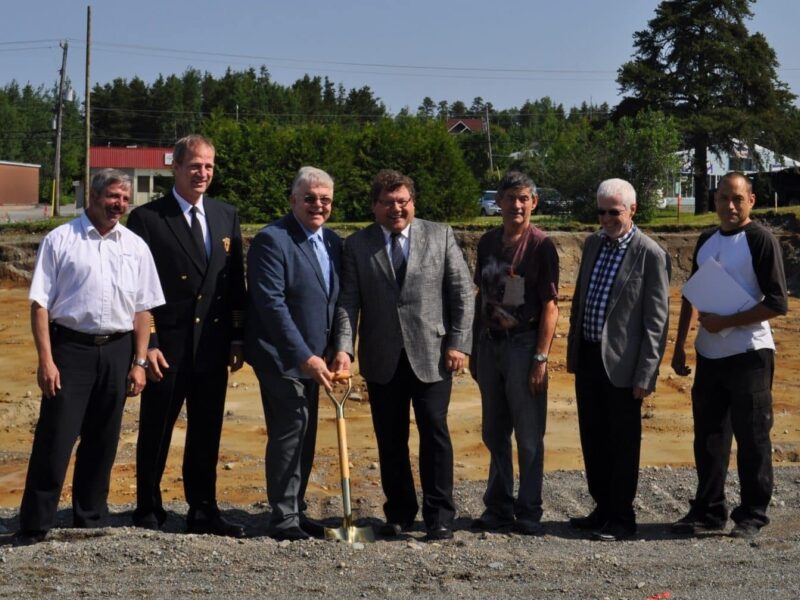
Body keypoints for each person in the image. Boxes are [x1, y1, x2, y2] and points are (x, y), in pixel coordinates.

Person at [14, 169, 164, 546]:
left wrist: (140, 361)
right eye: (114, 196)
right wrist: (46, 360)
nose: (121, 205)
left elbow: (143, 309)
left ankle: (90, 516)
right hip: (70, 350)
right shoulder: (60, 240)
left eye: (126, 199)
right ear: (93, 198)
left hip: (117, 349)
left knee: (103, 438)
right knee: (56, 436)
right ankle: (35, 522)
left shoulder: (134, 246)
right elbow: (40, 306)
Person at [332, 169, 473, 542]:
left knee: (434, 432)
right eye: (388, 203)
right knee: (390, 440)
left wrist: (459, 343)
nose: (397, 209)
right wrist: (344, 349)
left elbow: (462, 293)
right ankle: (399, 513)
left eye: (403, 201)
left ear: (413, 203)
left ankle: (440, 514)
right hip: (382, 357)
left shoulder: (439, 235)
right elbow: (348, 302)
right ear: (374, 207)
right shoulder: (357, 246)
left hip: (433, 354)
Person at [126, 134, 247, 537]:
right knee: (157, 429)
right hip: (169, 347)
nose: (203, 173)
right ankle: (148, 507)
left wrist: (236, 336)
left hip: (211, 347)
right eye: (195, 165)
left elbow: (234, 284)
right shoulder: (148, 219)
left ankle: (203, 508)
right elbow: (136, 289)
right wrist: (151, 344)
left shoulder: (225, 215)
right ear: (174, 167)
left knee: (206, 431)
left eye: (209, 166)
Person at [670, 172, 788, 539]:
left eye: (738, 199)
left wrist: (728, 321)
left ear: (751, 200)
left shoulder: (761, 240)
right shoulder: (706, 240)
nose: (730, 206)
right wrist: (679, 345)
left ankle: (752, 514)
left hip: (750, 353)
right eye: (724, 198)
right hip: (710, 354)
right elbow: (692, 294)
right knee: (709, 436)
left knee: (752, 436)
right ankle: (708, 510)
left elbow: (777, 302)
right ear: (715, 201)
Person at [566, 178, 671, 542]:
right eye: (602, 211)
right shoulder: (593, 243)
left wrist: (647, 373)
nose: (607, 218)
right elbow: (580, 301)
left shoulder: (650, 254)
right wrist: (574, 353)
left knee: (623, 442)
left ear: (632, 211)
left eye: (615, 212)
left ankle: (622, 518)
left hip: (625, 366)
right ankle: (602, 508)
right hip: (591, 358)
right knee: (592, 437)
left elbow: (657, 322)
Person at [244, 167, 342, 541]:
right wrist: (304, 355)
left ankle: (296, 509)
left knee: (306, 431)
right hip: (281, 356)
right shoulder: (273, 240)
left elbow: (334, 302)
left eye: (325, 199)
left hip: (316, 358)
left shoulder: (332, 242)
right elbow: (271, 304)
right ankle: (283, 517)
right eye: (310, 198)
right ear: (293, 200)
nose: (318, 205)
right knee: (290, 429)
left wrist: (336, 350)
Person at [470, 171, 559, 536]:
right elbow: (483, 296)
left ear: (534, 203)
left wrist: (540, 358)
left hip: (523, 347)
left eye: (523, 198)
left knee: (528, 433)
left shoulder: (541, 246)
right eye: (509, 198)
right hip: (490, 345)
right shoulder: (488, 242)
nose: (516, 205)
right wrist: (475, 347)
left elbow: (551, 306)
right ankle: (499, 505)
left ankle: (529, 509)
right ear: (499, 203)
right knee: (494, 431)